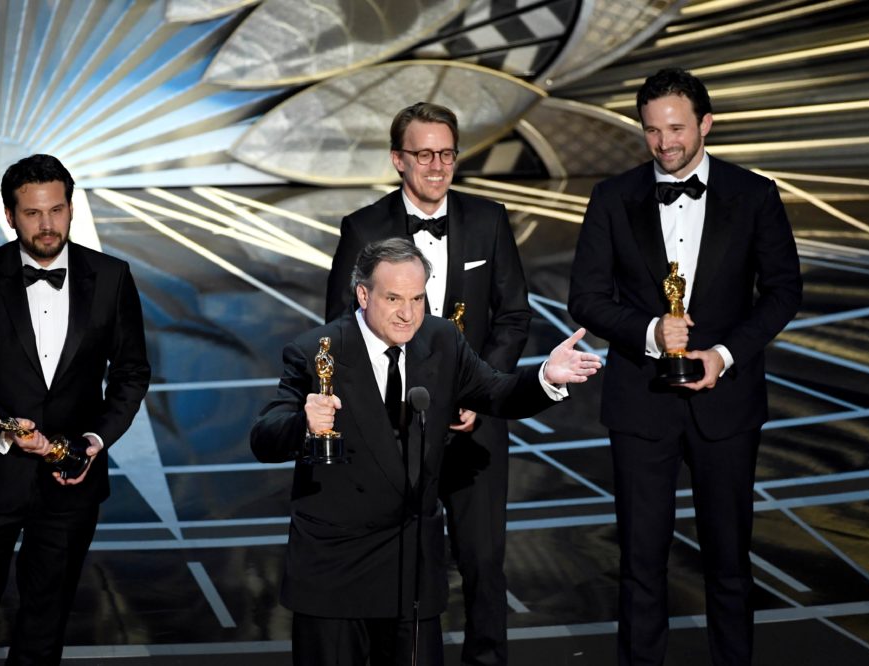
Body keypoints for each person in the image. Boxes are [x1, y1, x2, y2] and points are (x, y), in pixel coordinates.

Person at [254, 238, 600, 666]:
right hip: (335, 568)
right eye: (394, 298)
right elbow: (264, 436)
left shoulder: (440, 339)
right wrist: (302, 425)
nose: (408, 313)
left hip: (411, 562)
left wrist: (547, 376)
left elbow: (496, 392)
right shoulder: (318, 351)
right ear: (363, 295)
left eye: (418, 298)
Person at [567, 68, 802, 665]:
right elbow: (586, 298)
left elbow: (782, 292)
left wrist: (723, 356)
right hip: (641, 406)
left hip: (727, 405)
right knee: (641, 563)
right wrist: (650, 331)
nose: (664, 142)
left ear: (705, 124)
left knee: (729, 562)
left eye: (675, 128)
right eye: (651, 131)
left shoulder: (754, 195)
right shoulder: (612, 198)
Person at [325, 102, 531, 666]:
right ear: (398, 160)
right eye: (423, 154)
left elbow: (513, 316)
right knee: (403, 566)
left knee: (485, 565)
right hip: (395, 436)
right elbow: (343, 331)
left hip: (475, 430)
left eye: (447, 153)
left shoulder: (489, 219)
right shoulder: (363, 229)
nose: (437, 166)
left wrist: (478, 389)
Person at [0, 154, 151, 665]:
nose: (47, 225)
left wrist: (92, 443)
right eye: (32, 213)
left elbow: (131, 373)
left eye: (56, 210)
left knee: (45, 624)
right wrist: (5, 428)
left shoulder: (113, 277)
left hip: (71, 481)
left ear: (72, 208)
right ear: (10, 215)